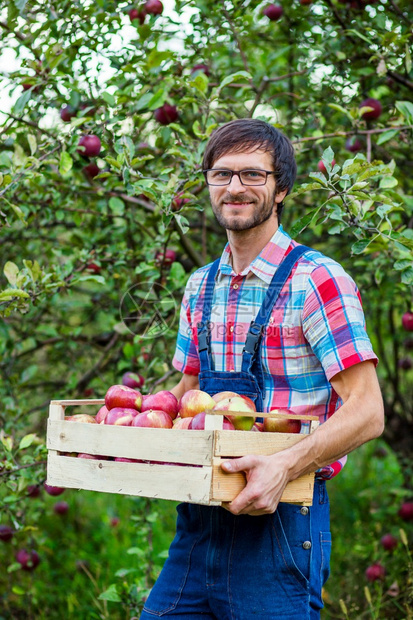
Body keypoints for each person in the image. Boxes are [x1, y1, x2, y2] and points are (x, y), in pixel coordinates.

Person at [140, 119, 384, 620]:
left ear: (281, 189)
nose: (234, 188)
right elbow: (186, 398)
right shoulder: (199, 286)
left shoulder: (317, 280)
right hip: (199, 525)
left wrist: (283, 466)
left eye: (253, 174)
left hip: (282, 523)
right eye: (221, 174)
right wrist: (125, 429)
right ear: (208, 183)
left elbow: (369, 412)